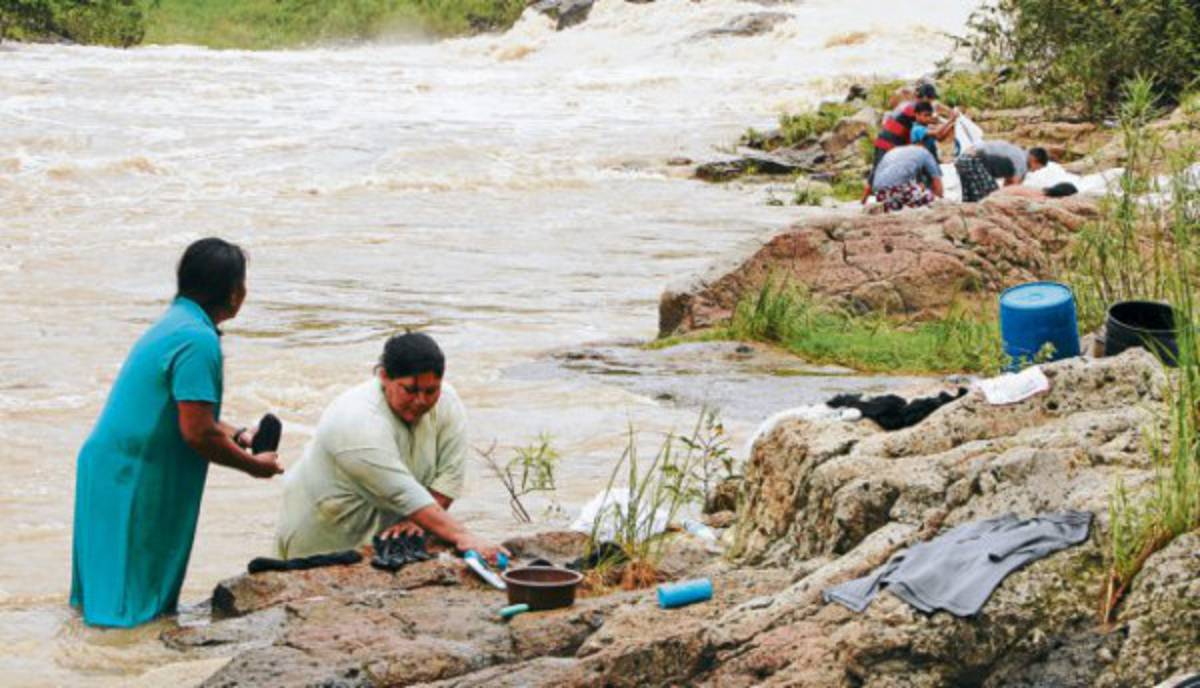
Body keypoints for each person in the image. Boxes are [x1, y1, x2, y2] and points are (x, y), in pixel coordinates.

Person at [71, 238, 283, 628]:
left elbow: (185, 413)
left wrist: (238, 435)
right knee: (128, 612)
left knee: (102, 603)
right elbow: (197, 432)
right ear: (234, 293)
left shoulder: (176, 322)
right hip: (134, 477)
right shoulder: (199, 340)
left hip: (112, 468)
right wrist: (255, 467)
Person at [275, 332, 508, 563]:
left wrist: (419, 522)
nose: (421, 401)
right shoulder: (357, 421)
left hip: (384, 540)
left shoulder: (447, 402)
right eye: (410, 390)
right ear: (384, 377)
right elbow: (401, 492)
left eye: (430, 391)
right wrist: (464, 536)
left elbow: (449, 477)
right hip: (321, 538)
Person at [865, 84, 958, 200]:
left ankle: (869, 200)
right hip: (889, 143)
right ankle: (868, 200)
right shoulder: (914, 109)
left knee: (879, 172)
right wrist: (949, 119)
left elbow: (932, 126)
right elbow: (932, 126)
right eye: (931, 99)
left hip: (889, 141)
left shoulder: (910, 106)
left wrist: (947, 120)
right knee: (880, 173)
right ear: (925, 97)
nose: (932, 102)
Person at [870, 144, 944, 212]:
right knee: (930, 197)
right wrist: (939, 199)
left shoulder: (895, 150)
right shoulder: (926, 154)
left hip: (880, 193)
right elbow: (937, 182)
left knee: (901, 198)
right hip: (899, 189)